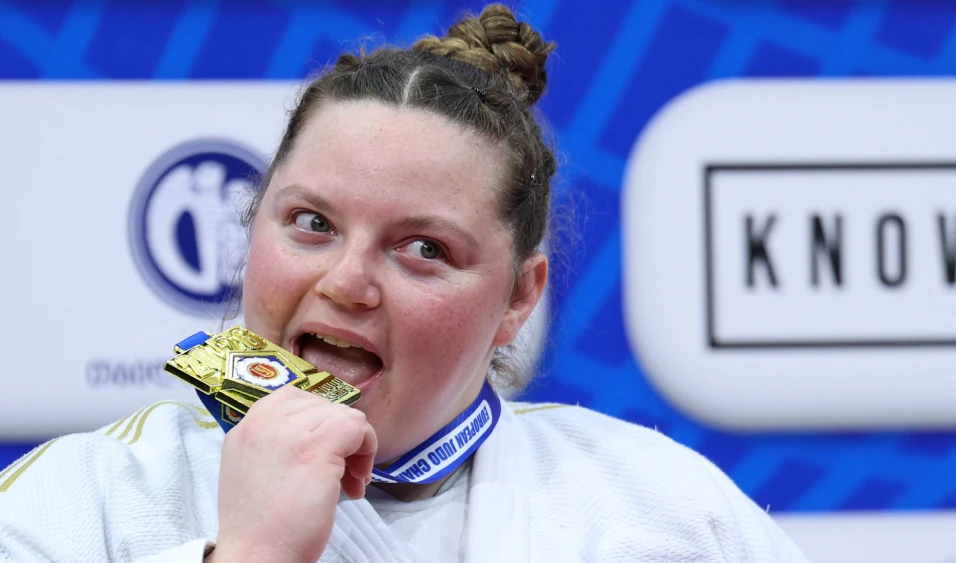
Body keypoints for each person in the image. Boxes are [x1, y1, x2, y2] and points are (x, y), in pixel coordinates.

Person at [0, 4, 807, 562]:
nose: (347, 281)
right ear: (253, 228)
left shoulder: (654, 510)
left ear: (519, 297)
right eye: (311, 223)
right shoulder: (83, 503)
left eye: (422, 247)